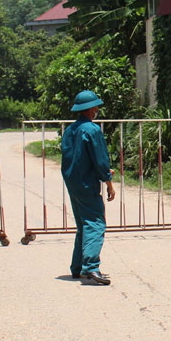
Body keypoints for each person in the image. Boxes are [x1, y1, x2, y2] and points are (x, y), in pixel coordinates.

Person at [61, 90, 116, 285]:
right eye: (95, 107)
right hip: (87, 183)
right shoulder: (92, 130)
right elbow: (101, 161)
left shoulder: (70, 131)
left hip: (73, 182)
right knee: (95, 223)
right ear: (90, 109)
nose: (97, 110)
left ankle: (77, 267)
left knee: (83, 225)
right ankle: (91, 267)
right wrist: (108, 182)